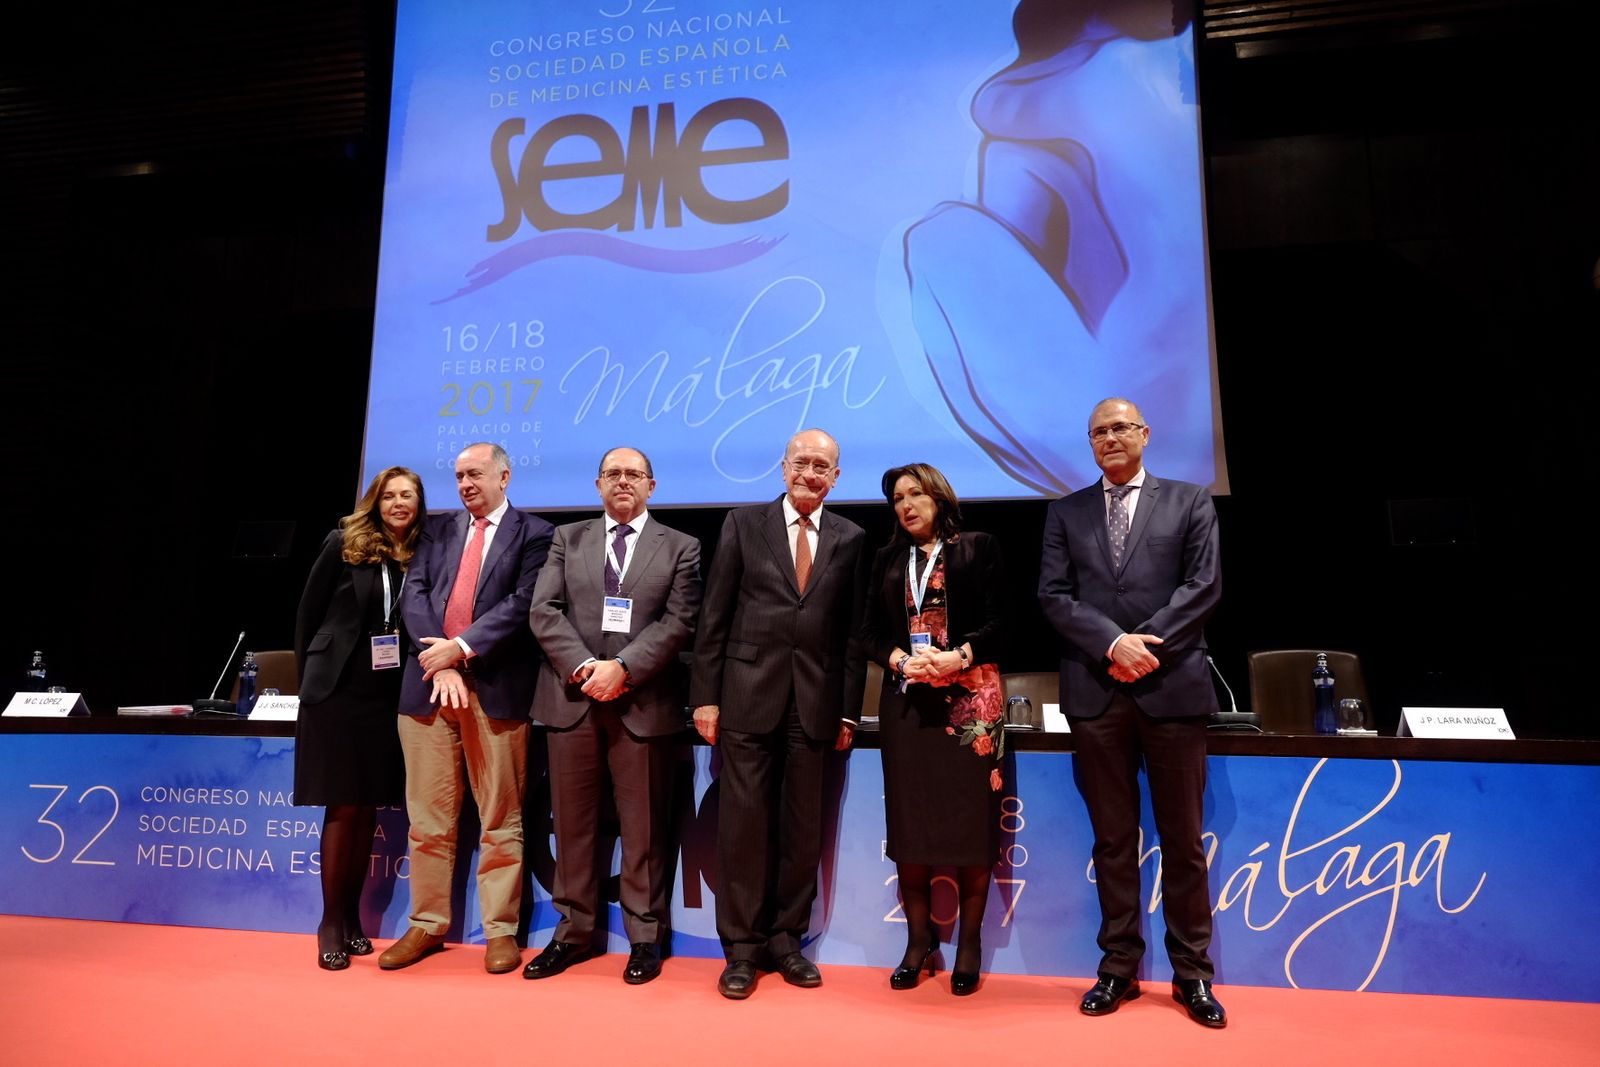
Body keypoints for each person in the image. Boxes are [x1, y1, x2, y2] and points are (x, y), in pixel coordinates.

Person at [1038, 397, 1227, 1028]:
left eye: (1121, 427)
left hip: (1171, 687)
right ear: (1090, 444)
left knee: (1182, 840)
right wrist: (1112, 644)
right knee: (1113, 840)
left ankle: (1192, 974)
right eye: (1099, 431)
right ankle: (1117, 967)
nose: (1110, 437)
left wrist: (1144, 646)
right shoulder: (1066, 511)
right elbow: (1053, 596)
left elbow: (1203, 586)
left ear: (1145, 433)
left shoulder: (1189, 500)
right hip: (1097, 691)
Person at [690, 428, 868, 1000]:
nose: (810, 473)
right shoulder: (743, 524)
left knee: (801, 829)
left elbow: (853, 634)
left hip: (815, 704)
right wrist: (705, 696)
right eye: (801, 462)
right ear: (784, 467)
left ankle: (787, 941)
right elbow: (714, 615)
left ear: (835, 477)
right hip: (747, 695)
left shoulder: (851, 538)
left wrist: (848, 711)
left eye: (821, 466)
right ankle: (742, 950)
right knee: (742, 829)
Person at [524, 447, 703, 985]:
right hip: (573, 700)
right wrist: (585, 667)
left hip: (642, 704)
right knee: (572, 827)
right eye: (613, 474)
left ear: (652, 485)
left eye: (633, 474)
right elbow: (543, 610)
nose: (623, 482)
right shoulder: (567, 538)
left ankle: (645, 937)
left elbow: (679, 620)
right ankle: (572, 934)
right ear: (598, 484)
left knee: (643, 829)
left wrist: (623, 668)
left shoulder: (683, 546)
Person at [378, 442, 553, 975]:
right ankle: (427, 924)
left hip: (496, 690)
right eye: (458, 476)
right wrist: (442, 663)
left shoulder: (537, 534)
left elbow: (522, 604)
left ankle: (500, 930)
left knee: (501, 819)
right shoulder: (437, 530)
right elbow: (415, 596)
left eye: (475, 474)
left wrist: (461, 648)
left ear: (504, 476)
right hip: (429, 688)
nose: (465, 485)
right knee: (428, 821)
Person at [862, 463, 1005, 996]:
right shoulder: (886, 558)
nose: (906, 505)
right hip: (907, 705)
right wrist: (900, 660)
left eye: (915, 494)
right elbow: (866, 631)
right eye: (898, 498)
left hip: (971, 706)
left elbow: (1003, 621)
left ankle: (969, 945)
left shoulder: (978, 547)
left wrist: (959, 656)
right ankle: (918, 942)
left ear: (939, 497)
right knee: (911, 826)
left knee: (972, 828)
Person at [293, 466, 425, 971]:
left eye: (407, 495)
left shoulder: (421, 554)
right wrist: (311, 683)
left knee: (368, 807)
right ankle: (330, 921)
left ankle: (352, 917)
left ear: (418, 503)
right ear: (376, 502)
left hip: (386, 694)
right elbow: (308, 616)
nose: (398, 503)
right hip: (337, 691)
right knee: (343, 807)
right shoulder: (344, 542)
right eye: (389, 495)